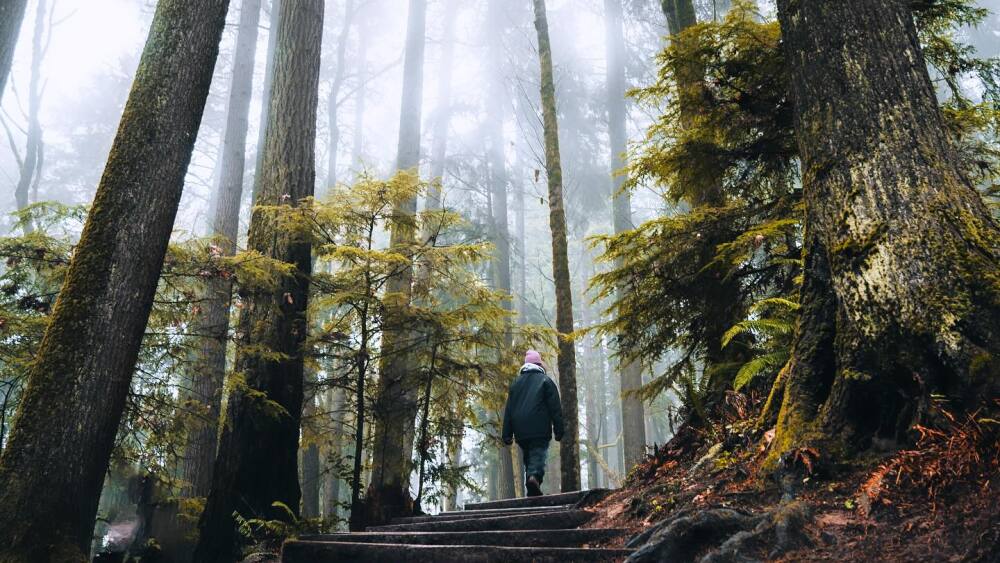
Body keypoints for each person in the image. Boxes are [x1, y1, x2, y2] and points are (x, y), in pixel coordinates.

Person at [501, 350, 564, 497]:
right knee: (537, 456)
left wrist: (507, 434)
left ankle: (532, 492)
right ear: (539, 364)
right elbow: (555, 408)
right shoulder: (545, 381)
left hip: (520, 431)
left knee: (528, 458)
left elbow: (509, 410)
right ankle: (533, 477)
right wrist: (559, 430)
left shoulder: (515, 384)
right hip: (539, 428)